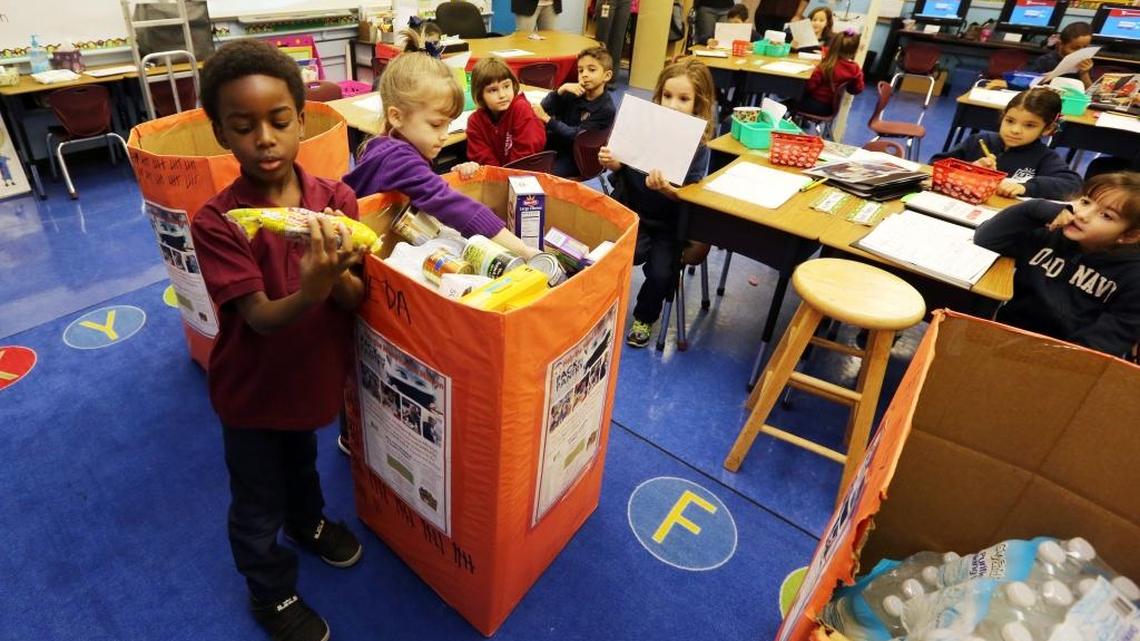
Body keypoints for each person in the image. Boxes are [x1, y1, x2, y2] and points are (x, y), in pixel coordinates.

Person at [189, 39, 365, 641]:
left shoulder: (337, 201)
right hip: (253, 393)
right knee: (257, 501)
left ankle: (309, 524)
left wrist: (338, 273)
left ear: (301, 120)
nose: (264, 138)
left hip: (311, 379)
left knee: (303, 464)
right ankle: (270, 591)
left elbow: (358, 298)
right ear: (221, 135)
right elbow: (260, 317)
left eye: (278, 121)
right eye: (243, 126)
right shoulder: (215, 221)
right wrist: (314, 286)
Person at [342, 52, 538, 258]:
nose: (444, 136)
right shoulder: (398, 158)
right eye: (436, 124)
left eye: (448, 124)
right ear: (396, 116)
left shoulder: (387, 144)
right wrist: (523, 250)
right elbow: (452, 204)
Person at [597, 59, 716, 347]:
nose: (673, 105)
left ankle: (645, 316)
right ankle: (599, 305)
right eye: (668, 96)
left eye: (684, 99)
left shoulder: (698, 147)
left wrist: (667, 190)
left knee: (661, 274)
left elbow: (690, 196)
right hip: (629, 211)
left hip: (668, 225)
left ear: (698, 104)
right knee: (604, 255)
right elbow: (624, 167)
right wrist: (613, 163)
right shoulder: (642, 126)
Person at [973, 172, 1140, 358]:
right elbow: (986, 239)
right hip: (1004, 334)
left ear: (1129, 236)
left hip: (1064, 360)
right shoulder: (1052, 233)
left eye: (1106, 216)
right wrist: (1033, 209)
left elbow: (1108, 338)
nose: (1083, 215)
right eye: (1085, 202)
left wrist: (1053, 360)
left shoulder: (1132, 276)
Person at [931, 87, 1082, 199]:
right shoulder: (979, 141)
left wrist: (1024, 187)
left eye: (1029, 125)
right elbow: (935, 164)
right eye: (1010, 121)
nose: (1015, 130)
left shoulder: (1045, 157)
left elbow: (1073, 186)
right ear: (1003, 117)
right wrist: (969, 170)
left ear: (1048, 129)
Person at [534, 46, 616, 178]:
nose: (584, 74)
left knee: (545, 177)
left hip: (579, 156)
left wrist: (549, 120)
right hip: (557, 144)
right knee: (524, 159)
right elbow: (544, 109)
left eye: (592, 70)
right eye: (580, 70)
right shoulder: (573, 92)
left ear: (607, 76)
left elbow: (577, 136)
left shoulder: (605, 108)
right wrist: (560, 91)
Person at [465, 56, 547, 166]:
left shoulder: (521, 109)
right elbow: (483, 160)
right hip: (495, 179)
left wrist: (504, 176)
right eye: (493, 90)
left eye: (506, 86)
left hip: (525, 176)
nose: (502, 95)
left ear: (513, 85)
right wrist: (498, 178)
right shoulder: (475, 121)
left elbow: (525, 158)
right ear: (480, 95)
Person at [793, 28, 865, 117]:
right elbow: (856, 89)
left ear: (834, 46)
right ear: (855, 50)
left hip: (814, 104)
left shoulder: (827, 66)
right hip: (830, 107)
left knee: (787, 101)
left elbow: (809, 87)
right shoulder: (855, 69)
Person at [1025, 21, 1094, 88]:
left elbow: (1089, 93)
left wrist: (1084, 73)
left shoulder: (1084, 63)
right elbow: (1025, 83)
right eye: (1075, 48)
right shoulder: (1044, 61)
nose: (1080, 53)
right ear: (1060, 45)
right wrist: (1047, 76)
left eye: (1085, 48)